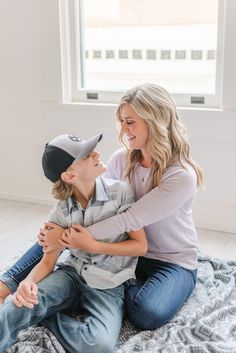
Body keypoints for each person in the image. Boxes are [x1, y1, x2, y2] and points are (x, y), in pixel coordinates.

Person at [0, 83, 203, 331]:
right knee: (68, 228)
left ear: (155, 120)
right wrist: (56, 230)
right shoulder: (122, 158)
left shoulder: (181, 175)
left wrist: (67, 237)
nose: (124, 129)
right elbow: (95, 206)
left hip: (171, 260)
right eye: (121, 121)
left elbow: (128, 219)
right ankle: (7, 283)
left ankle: (84, 296)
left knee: (146, 313)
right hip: (127, 252)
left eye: (130, 121)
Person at [0, 133, 147, 353]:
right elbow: (48, 262)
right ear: (70, 175)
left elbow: (140, 246)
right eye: (87, 155)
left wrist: (94, 246)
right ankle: (34, 310)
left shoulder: (120, 193)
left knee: (99, 345)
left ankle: (45, 315)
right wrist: (27, 283)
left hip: (109, 284)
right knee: (18, 304)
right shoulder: (61, 210)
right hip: (70, 275)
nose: (96, 153)